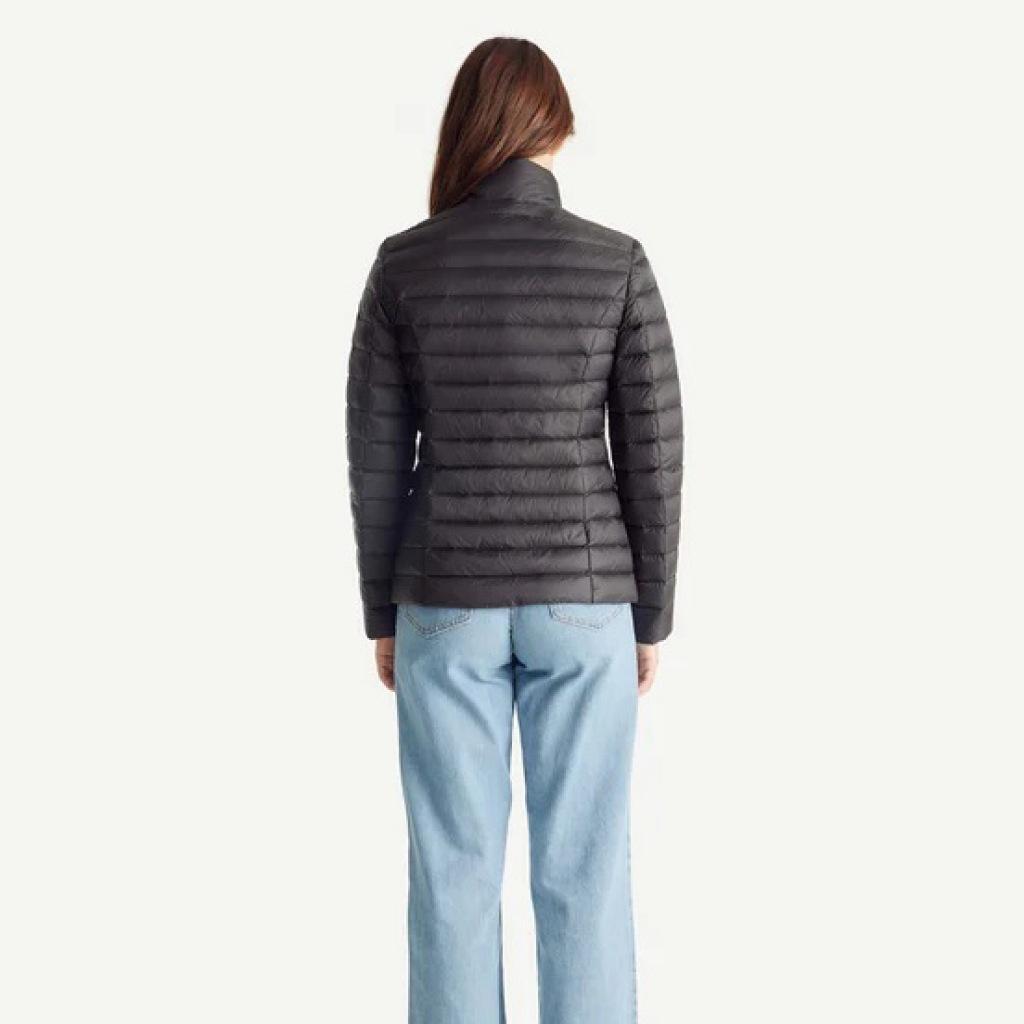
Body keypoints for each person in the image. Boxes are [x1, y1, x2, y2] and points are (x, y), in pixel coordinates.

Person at [346, 36, 682, 1024]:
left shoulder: (404, 265)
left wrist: (382, 614)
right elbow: (653, 450)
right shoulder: (615, 262)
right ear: (553, 129)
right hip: (586, 601)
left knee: (451, 870)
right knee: (584, 870)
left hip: (444, 599)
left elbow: (375, 452)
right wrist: (649, 616)